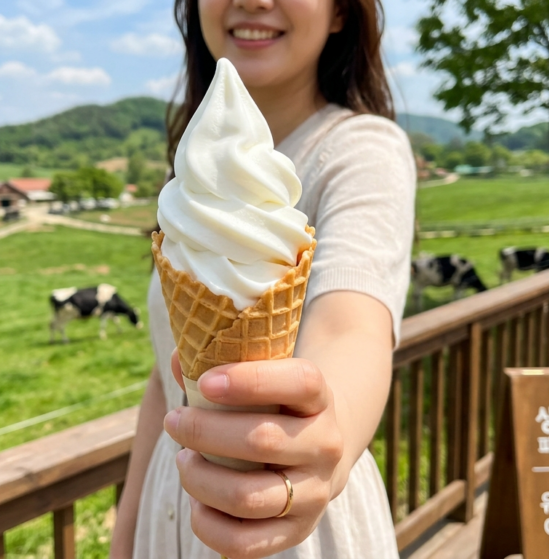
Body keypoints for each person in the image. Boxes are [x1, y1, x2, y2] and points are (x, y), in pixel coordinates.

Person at [110, 1, 415, 558]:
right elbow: (167, 373)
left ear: (341, 12)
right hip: (167, 514)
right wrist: (126, 530)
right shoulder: (196, 177)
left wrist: (327, 437)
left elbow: (353, 327)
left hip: (298, 522)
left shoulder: (363, 150)